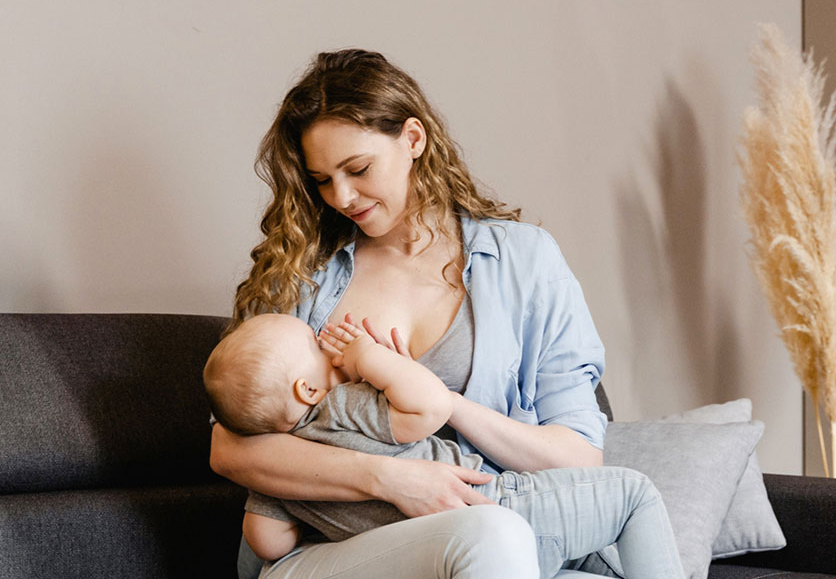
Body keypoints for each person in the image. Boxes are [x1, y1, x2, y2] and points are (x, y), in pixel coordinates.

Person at [209, 48, 622, 579]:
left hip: (488, 533)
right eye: (322, 180)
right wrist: (390, 480)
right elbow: (230, 450)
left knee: (509, 541)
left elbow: (579, 458)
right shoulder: (302, 272)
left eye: (357, 169)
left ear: (413, 139)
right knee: (492, 535)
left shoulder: (525, 261)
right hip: (331, 550)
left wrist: (443, 402)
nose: (342, 196)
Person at [203, 313, 684, 579]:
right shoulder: (342, 405)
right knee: (632, 494)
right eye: (315, 342)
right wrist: (368, 357)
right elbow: (431, 406)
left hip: (445, 549)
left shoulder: (279, 472)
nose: (327, 343)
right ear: (307, 391)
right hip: (494, 499)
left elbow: (268, 542)